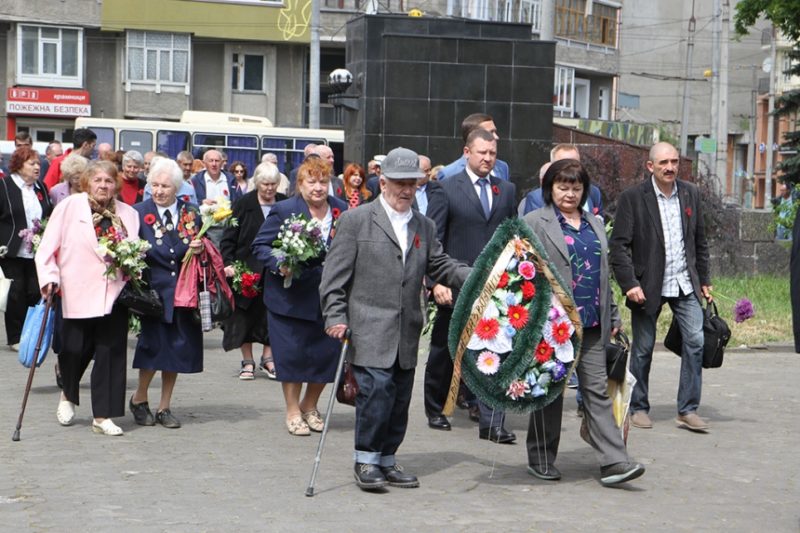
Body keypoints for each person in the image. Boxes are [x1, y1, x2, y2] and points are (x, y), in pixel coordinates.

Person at [320, 147, 471, 491]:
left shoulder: (424, 225)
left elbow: (440, 265)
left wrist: (476, 275)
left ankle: (387, 459)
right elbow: (333, 278)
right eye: (400, 183)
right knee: (376, 394)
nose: (406, 190)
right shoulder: (356, 220)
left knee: (400, 398)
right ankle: (366, 459)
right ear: (383, 182)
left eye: (413, 184)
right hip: (367, 325)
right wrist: (335, 315)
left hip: (407, 328)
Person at [522, 159, 645, 486]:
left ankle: (615, 462)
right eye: (563, 186)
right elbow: (523, 272)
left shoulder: (593, 222)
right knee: (549, 393)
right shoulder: (535, 222)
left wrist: (614, 315)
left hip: (592, 324)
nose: (570, 193)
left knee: (596, 392)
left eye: (576, 188)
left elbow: (603, 274)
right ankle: (541, 457)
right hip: (552, 326)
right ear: (550, 188)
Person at [609, 142, 713, 433]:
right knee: (642, 349)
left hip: (684, 282)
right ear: (650, 166)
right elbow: (618, 246)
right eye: (664, 162)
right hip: (648, 285)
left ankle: (688, 409)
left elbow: (700, 242)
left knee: (696, 341)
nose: (670, 167)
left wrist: (704, 279)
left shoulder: (690, 193)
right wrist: (629, 283)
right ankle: (639, 406)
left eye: (674, 161)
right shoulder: (633, 198)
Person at [425, 128, 518, 442]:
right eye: (482, 153)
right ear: (467, 152)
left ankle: (491, 423)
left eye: (492, 153)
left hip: (496, 286)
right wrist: (435, 281)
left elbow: (510, 234)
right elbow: (432, 240)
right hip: (454, 283)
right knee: (445, 349)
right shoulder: (445, 189)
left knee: (495, 348)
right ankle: (435, 407)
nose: (487, 159)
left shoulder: (505, 190)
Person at [36, 160, 140, 436]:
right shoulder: (70, 207)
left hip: (113, 294)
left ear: (116, 184)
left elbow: (136, 250)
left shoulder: (129, 214)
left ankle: (103, 416)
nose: (104, 186)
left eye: (108, 181)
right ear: (87, 183)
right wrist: (48, 278)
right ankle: (68, 394)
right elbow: (47, 247)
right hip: (74, 290)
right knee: (72, 349)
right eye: (98, 181)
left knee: (110, 353)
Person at [251, 158, 348, 436]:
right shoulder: (284, 210)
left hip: (329, 298)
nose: (318, 188)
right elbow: (261, 246)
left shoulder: (342, 210)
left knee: (324, 356)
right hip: (290, 299)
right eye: (312, 182)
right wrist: (279, 262)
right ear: (299, 184)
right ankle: (292, 410)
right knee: (293, 356)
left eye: (323, 182)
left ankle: (310, 405)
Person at [129, 158, 205, 429]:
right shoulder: (137, 212)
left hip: (183, 295)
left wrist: (199, 247)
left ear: (177, 187)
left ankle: (165, 406)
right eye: (155, 185)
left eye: (165, 186)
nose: (159, 191)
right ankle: (139, 398)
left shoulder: (191, 212)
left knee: (175, 350)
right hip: (153, 294)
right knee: (152, 349)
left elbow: (202, 247)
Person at [221, 162, 286, 380]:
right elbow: (229, 236)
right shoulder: (243, 203)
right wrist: (227, 263)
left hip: (275, 269)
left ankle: (268, 358)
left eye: (273, 184)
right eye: (265, 184)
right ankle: (247, 360)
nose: (269, 189)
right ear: (257, 183)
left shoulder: (285, 203)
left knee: (272, 315)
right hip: (246, 268)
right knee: (244, 317)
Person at [0, 146, 54, 350]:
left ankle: (30, 334)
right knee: (16, 293)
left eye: (39, 163)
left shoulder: (40, 187)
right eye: (32, 163)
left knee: (34, 292)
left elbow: (47, 214)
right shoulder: (5, 185)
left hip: (35, 250)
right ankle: (15, 338)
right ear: (19, 165)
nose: (37, 167)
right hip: (10, 250)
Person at [521, 144, 604, 217]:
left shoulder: (593, 192)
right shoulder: (537, 198)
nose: (570, 170)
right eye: (564, 165)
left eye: (574, 164)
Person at [436, 113, 510, 182]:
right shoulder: (449, 173)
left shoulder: (502, 167)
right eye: (490, 132)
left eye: (495, 132)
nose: (496, 137)